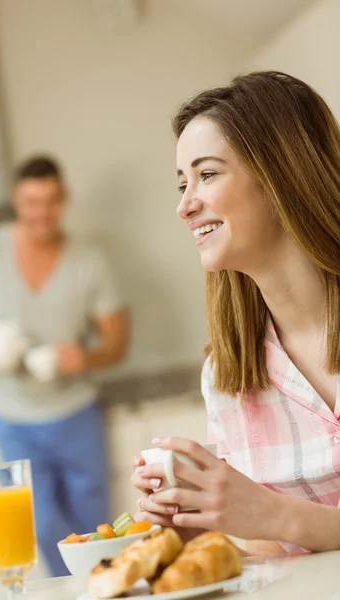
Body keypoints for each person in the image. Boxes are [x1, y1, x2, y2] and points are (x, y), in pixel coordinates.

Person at [132, 71, 340, 555]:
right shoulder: (228, 375)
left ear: (280, 175)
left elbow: (280, 523)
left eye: (206, 175)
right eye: (182, 184)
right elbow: (275, 555)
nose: (185, 206)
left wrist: (279, 515)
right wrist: (198, 529)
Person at [0, 156, 129, 576]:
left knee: (95, 532)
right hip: (13, 419)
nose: (41, 212)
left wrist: (88, 357)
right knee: (43, 528)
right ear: (16, 201)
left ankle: (102, 589)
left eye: (51, 201)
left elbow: (116, 342)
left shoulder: (89, 261)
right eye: (31, 202)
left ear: (64, 201)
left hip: (77, 414)